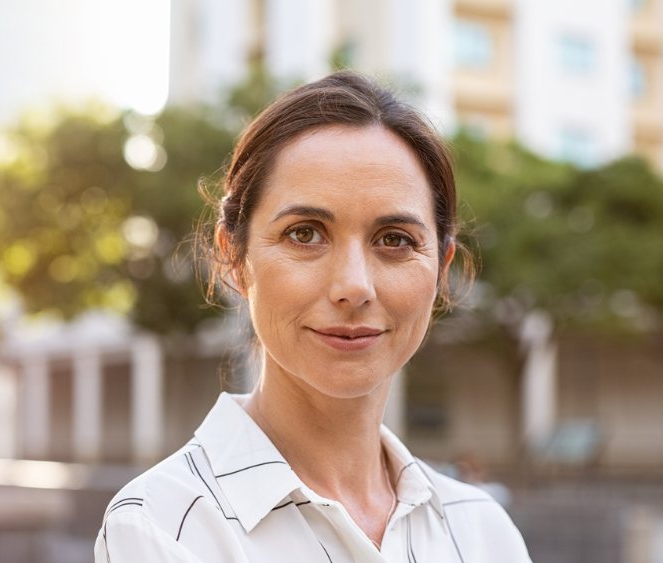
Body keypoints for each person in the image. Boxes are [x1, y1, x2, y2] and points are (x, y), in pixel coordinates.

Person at [95, 71, 531, 563]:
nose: (354, 287)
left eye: (394, 240)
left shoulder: (483, 531)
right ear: (233, 258)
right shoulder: (164, 525)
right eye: (305, 234)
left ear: (441, 269)